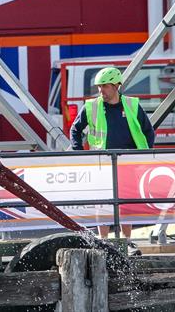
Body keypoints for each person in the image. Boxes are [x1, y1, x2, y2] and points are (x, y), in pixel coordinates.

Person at [69, 66, 155, 243]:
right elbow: (75, 130)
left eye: (105, 86)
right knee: (103, 202)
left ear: (117, 86)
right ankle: (103, 240)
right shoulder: (91, 106)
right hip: (102, 161)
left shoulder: (132, 105)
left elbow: (148, 131)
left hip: (128, 162)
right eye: (99, 86)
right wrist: (79, 153)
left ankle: (127, 241)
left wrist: (144, 157)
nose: (101, 90)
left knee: (126, 202)